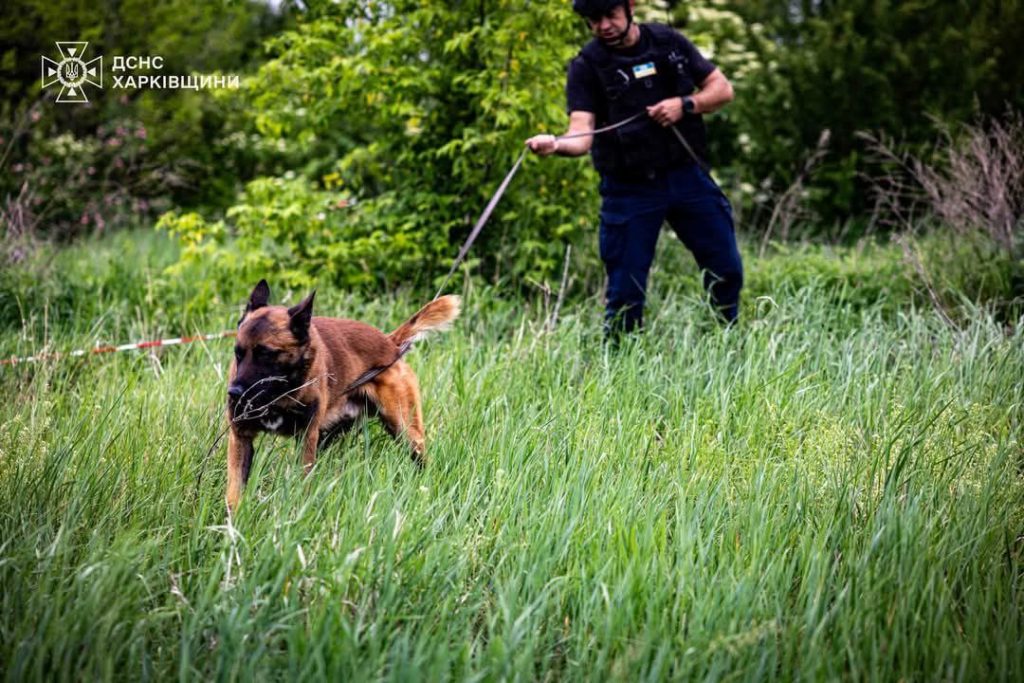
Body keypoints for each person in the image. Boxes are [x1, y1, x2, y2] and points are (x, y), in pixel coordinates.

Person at [526, 0, 743, 336]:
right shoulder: (586, 66)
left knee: (726, 268)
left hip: (687, 176)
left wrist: (685, 105)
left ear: (630, 7)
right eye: (594, 19)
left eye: (609, 15)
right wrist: (554, 144)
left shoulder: (668, 42)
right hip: (628, 190)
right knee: (625, 292)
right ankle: (619, 364)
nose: (603, 26)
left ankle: (728, 338)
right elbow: (580, 135)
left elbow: (722, 90)